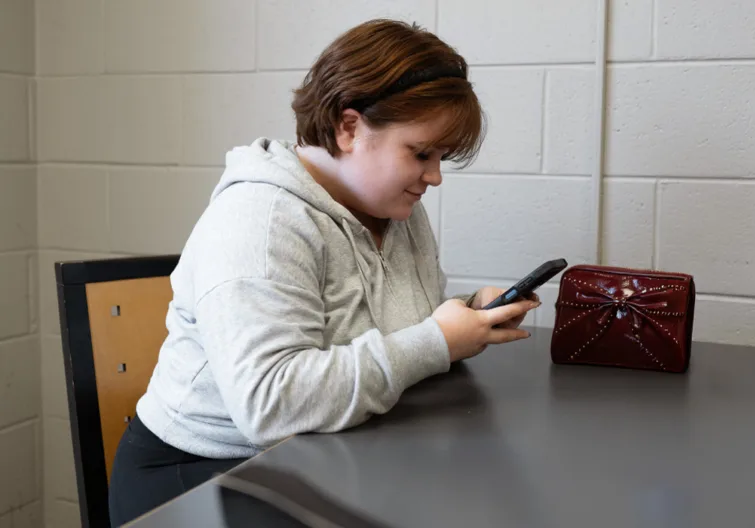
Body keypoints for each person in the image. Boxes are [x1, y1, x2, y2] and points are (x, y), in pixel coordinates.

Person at [107, 18, 539, 526]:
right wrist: (437, 342)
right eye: (421, 153)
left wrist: (465, 319)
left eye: (441, 157)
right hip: (205, 475)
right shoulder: (261, 222)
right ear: (349, 127)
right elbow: (271, 405)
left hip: (321, 450)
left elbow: (385, 332)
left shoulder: (395, 208)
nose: (435, 176)